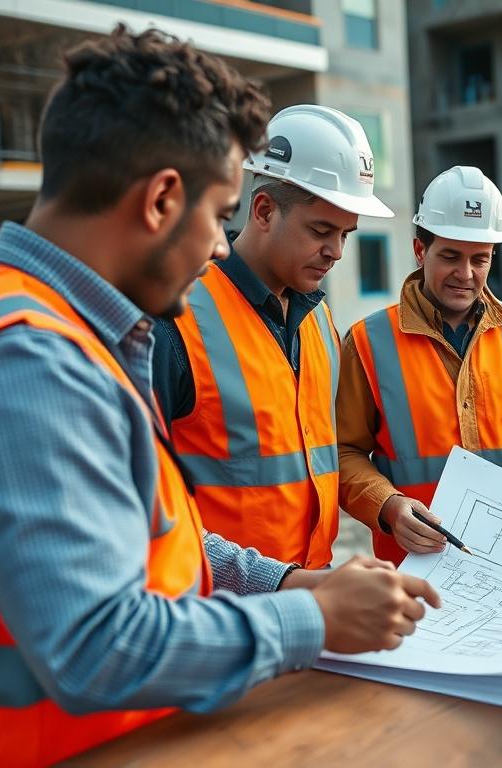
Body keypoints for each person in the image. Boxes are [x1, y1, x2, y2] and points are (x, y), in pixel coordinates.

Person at [0, 27, 438, 766]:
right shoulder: (33, 360)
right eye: (219, 210)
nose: (220, 246)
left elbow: (166, 538)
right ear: (163, 199)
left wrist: (291, 583)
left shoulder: (77, 336)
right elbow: (95, 647)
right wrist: (311, 619)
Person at [152, 104, 393, 568]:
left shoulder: (320, 322)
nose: (336, 251)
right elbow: (144, 507)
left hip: (315, 591)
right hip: (217, 602)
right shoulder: (175, 319)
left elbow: (325, 459)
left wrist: (387, 505)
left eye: (346, 234)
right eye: (321, 230)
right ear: (263, 210)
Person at [337, 165, 502, 564]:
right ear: (420, 250)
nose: (466, 274)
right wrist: (386, 504)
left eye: (480, 259)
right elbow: (343, 451)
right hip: (412, 564)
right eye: (451, 256)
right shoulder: (368, 341)